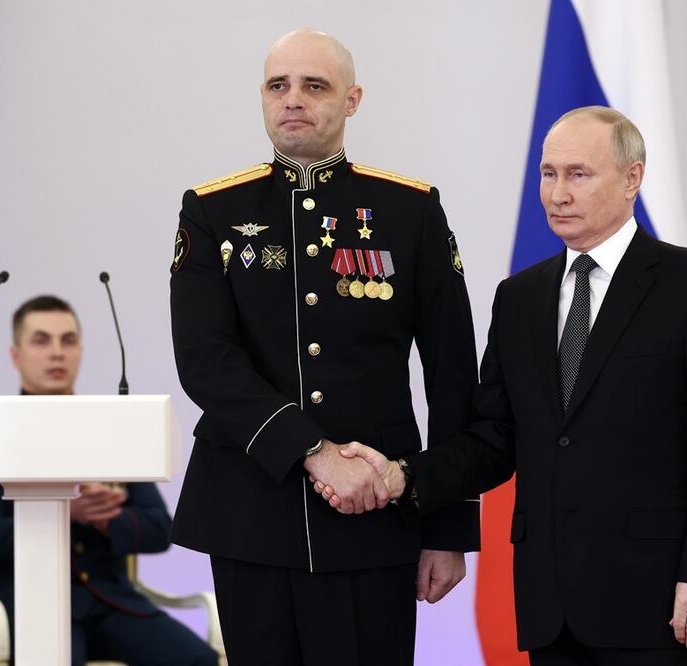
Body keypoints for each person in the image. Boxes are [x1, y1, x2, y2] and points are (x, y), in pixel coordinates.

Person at [319, 106, 687, 666]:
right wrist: (402, 475)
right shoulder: (519, 298)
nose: (558, 193)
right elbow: (493, 438)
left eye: (578, 174)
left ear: (632, 178)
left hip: (663, 602)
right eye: (548, 174)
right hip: (551, 607)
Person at [169, 28, 480, 665]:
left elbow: (452, 374)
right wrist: (311, 451)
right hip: (252, 510)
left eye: (315, 86)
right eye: (278, 86)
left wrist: (447, 526)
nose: (293, 99)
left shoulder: (410, 210)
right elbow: (205, 360)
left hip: (374, 513)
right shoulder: (212, 210)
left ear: (351, 100)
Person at [0, 295, 217, 666]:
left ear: (80, 351)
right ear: (15, 355)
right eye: (41, 341)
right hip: (28, 603)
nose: (57, 353)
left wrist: (106, 518)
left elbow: (159, 530)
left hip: (113, 603)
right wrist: (65, 512)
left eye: (68, 341)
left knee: (199, 661)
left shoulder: (109, 430)